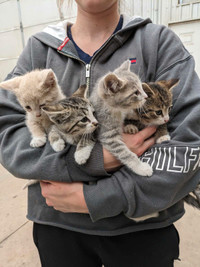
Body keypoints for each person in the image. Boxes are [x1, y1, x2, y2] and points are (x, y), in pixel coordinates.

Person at [0, 0, 200, 266]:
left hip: (143, 229)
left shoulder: (157, 42)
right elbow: (7, 131)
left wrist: (98, 198)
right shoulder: (39, 48)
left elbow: (190, 142)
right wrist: (93, 160)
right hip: (58, 227)